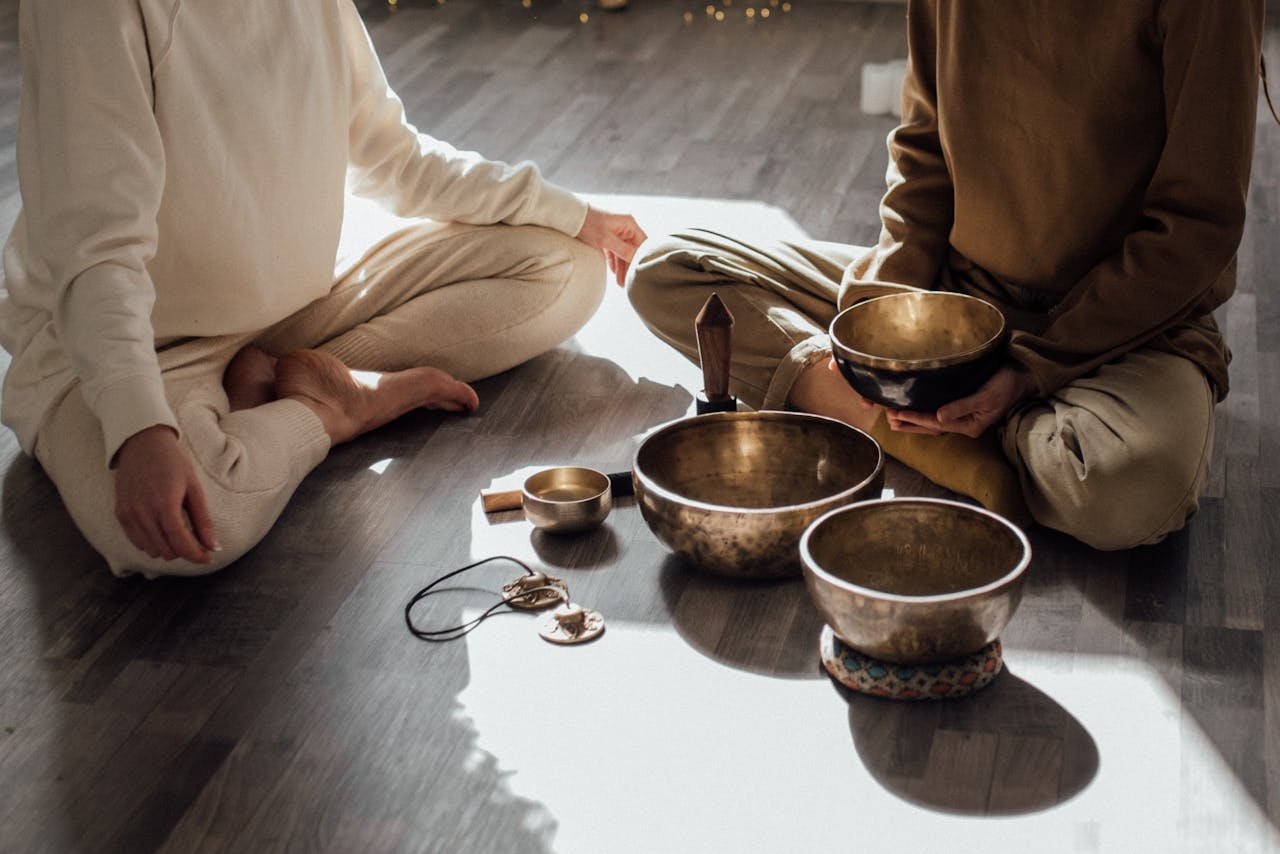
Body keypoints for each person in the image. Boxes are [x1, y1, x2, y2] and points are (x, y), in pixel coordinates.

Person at [0, 1, 645, 577]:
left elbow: (393, 156)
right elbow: (97, 252)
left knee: (567, 268)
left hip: (295, 302)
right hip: (137, 342)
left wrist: (573, 213)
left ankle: (280, 380)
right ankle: (333, 411)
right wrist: (140, 429)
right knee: (197, 524)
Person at [627, 1, 1264, 550]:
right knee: (670, 272)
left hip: (1124, 331)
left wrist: (1027, 372)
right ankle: (949, 440)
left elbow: (1196, 225)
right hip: (956, 300)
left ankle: (921, 421)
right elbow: (924, 150)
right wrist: (883, 333)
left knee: (1122, 489)